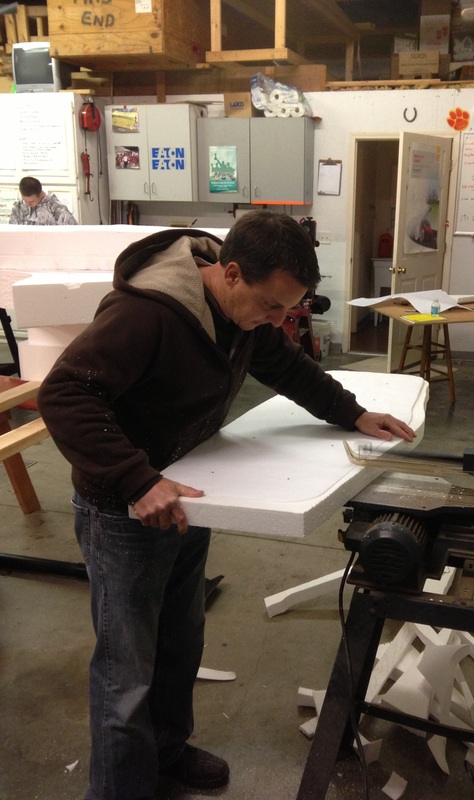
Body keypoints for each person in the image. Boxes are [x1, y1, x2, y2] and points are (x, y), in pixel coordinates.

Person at [37, 210, 415, 800]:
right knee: (125, 672)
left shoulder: (242, 310)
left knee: (180, 640)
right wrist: (137, 480)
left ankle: (167, 752)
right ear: (231, 273)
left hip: (188, 493)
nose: (278, 321)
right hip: (124, 509)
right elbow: (63, 393)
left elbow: (286, 365)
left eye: (289, 310)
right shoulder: (147, 314)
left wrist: (353, 413)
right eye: (272, 307)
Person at [9, 176, 77, 225]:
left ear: (41, 194)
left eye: (31, 201)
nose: (28, 204)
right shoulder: (18, 206)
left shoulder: (57, 209)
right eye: (24, 200)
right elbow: (12, 231)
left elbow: (73, 233)